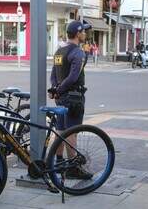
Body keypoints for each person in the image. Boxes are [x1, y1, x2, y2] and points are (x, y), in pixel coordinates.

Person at [49, 20, 93, 180]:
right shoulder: (78, 53)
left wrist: (55, 90)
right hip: (73, 99)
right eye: (84, 32)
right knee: (72, 132)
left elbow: (53, 75)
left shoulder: (59, 52)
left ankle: (59, 163)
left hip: (60, 99)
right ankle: (73, 167)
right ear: (78, 34)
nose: (85, 34)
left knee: (60, 130)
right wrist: (60, 89)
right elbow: (73, 77)